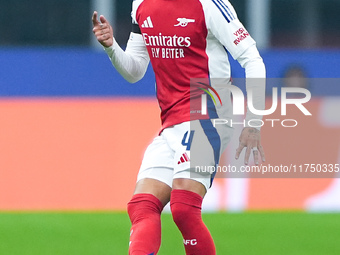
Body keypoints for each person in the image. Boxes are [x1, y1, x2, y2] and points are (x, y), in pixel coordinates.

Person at [92, 0, 266, 254]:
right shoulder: (141, 4)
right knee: (142, 206)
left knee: (184, 207)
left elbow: (253, 60)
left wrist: (253, 122)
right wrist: (111, 48)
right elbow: (135, 70)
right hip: (171, 120)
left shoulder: (209, 4)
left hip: (209, 112)